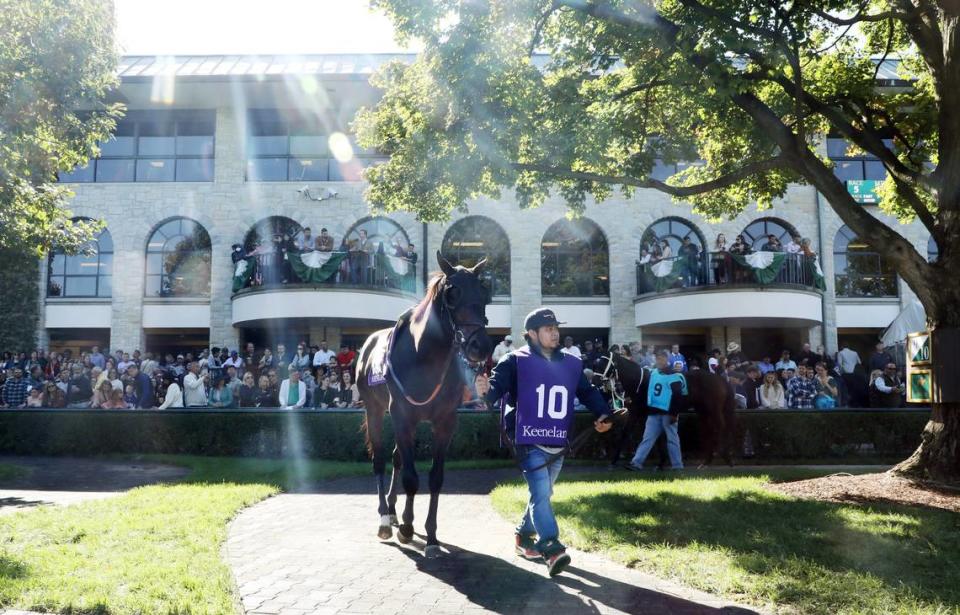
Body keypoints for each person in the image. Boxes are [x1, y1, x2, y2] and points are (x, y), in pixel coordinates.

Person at [475, 308, 610, 577]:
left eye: (556, 328)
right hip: (526, 439)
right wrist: (485, 391)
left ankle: (523, 537)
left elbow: (588, 392)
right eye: (549, 329)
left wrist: (604, 414)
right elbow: (493, 392)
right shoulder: (514, 360)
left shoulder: (572, 364)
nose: (555, 333)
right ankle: (551, 546)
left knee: (543, 494)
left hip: (558, 440)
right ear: (532, 334)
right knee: (540, 491)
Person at [628, 349, 687, 470]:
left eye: (661, 358)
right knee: (647, 439)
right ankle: (636, 463)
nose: (658, 360)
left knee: (672, 440)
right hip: (653, 412)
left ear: (667, 359)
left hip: (668, 413)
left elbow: (678, 396)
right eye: (657, 358)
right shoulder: (653, 373)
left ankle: (677, 466)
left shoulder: (674, 376)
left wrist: (674, 414)